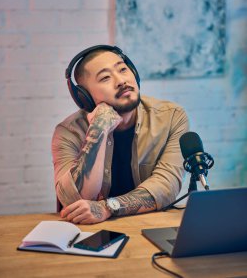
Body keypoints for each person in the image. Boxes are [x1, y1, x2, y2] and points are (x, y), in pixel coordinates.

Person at [51, 45, 189, 224]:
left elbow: (166, 186)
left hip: (147, 224)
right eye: (105, 77)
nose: (121, 81)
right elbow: (76, 200)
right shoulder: (67, 132)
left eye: (123, 69)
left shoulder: (171, 117)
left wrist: (108, 207)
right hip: (90, 232)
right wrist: (99, 128)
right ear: (84, 97)